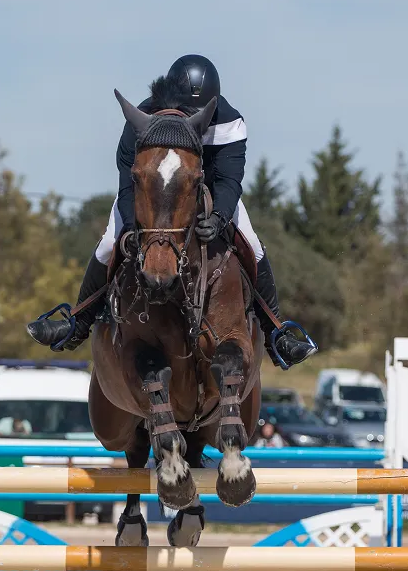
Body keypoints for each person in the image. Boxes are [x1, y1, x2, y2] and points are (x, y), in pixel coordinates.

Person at [28, 54, 316, 369]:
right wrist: (131, 227)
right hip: (151, 197)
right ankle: (78, 323)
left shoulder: (230, 123)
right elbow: (128, 185)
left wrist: (219, 216)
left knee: (253, 245)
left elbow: (230, 181)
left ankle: (277, 334)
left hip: (211, 193)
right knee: (110, 242)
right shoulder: (141, 121)